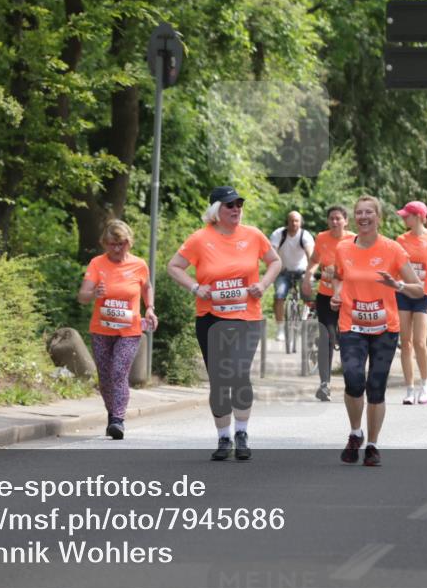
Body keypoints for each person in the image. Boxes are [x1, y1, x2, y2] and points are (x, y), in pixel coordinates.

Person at [167, 186, 282, 460]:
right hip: (211, 319)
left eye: (239, 204)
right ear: (216, 210)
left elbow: (275, 262)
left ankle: (242, 432)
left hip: (246, 317)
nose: (236, 209)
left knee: (240, 374)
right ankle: (223, 438)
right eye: (230, 205)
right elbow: (173, 266)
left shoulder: (253, 235)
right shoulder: (199, 239)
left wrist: (263, 284)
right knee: (219, 380)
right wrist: (195, 287)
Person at [332, 195, 423, 466]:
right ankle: (355, 432)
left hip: (385, 328)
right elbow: (338, 276)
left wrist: (399, 286)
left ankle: (372, 445)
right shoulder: (344, 249)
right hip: (352, 326)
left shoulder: (392, 249)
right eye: (359, 212)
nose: (363, 217)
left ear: (378, 217)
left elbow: (418, 288)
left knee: (376, 387)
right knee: (353, 380)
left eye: (369, 212)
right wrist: (337, 294)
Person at [78, 220, 158, 439]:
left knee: (118, 371)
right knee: (105, 377)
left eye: (121, 244)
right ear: (104, 243)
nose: (116, 248)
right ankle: (112, 414)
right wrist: (94, 293)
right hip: (101, 330)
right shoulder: (97, 263)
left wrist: (149, 309)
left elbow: (147, 286)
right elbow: (82, 297)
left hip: (129, 331)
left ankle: (117, 420)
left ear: (129, 243)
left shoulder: (139, 265)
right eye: (112, 244)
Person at [395, 201, 427, 405]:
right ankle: (409, 388)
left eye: (406, 215)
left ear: (417, 217)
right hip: (403, 292)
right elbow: (396, 266)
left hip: (424, 295)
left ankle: (425, 383)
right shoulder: (400, 239)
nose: (403, 218)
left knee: (419, 342)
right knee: (405, 343)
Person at [303, 206, 353, 401]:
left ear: (346, 221)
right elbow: (315, 259)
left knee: (350, 338)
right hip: (325, 295)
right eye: (331, 218)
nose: (334, 222)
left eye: (338, 219)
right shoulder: (322, 238)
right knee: (327, 338)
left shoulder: (353, 239)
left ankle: (353, 380)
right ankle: (325, 384)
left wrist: (340, 272)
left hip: (348, 296)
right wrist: (308, 275)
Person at [270, 211, 315, 342]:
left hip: (301, 271)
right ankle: (280, 329)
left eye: (297, 221)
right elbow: (272, 252)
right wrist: (278, 266)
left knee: (308, 294)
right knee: (279, 296)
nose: (294, 223)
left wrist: (309, 273)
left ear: (301, 223)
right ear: (287, 222)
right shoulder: (279, 234)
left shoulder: (305, 235)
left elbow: (310, 255)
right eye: (291, 220)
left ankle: (305, 318)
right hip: (283, 271)